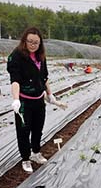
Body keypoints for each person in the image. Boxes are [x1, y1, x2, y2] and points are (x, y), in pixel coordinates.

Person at [7, 27, 67, 173]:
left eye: (36, 43)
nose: (33, 45)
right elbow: (15, 80)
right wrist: (16, 100)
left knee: (38, 128)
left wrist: (50, 95)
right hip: (24, 102)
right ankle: (26, 159)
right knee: (23, 130)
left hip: (38, 100)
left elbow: (44, 77)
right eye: (30, 42)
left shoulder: (41, 56)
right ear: (24, 41)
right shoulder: (16, 56)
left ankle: (36, 153)